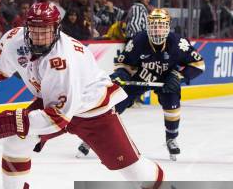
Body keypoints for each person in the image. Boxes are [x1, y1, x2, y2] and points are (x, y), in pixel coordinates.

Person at [0, 2, 192, 189]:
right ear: (26, 29)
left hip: (91, 110)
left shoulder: (65, 59)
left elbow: (58, 118)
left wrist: (17, 120)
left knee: (133, 169)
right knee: (16, 139)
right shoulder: (14, 39)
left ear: (56, 30)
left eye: (45, 31)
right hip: (53, 102)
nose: (39, 37)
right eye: (34, 30)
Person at [77, 8, 205, 161]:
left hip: (166, 79)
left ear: (168, 26)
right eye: (154, 25)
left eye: (161, 25)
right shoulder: (138, 40)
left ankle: (171, 138)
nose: (157, 30)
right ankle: (92, 138)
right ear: (148, 26)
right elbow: (124, 63)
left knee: (172, 102)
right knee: (116, 104)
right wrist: (121, 75)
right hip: (141, 76)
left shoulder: (178, 43)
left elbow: (199, 64)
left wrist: (179, 76)